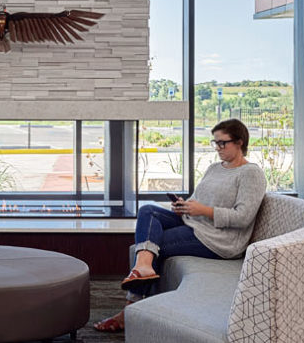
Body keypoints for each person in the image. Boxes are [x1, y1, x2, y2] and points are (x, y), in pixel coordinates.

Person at [94, 118, 266, 332]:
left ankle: (131, 305)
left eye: (223, 143)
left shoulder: (251, 173)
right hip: (195, 222)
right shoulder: (214, 168)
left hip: (217, 240)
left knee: (152, 245)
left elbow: (243, 217)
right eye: (215, 143)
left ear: (240, 142)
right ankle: (143, 268)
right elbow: (198, 198)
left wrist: (202, 210)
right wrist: (185, 206)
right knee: (148, 210)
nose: (218, 148)